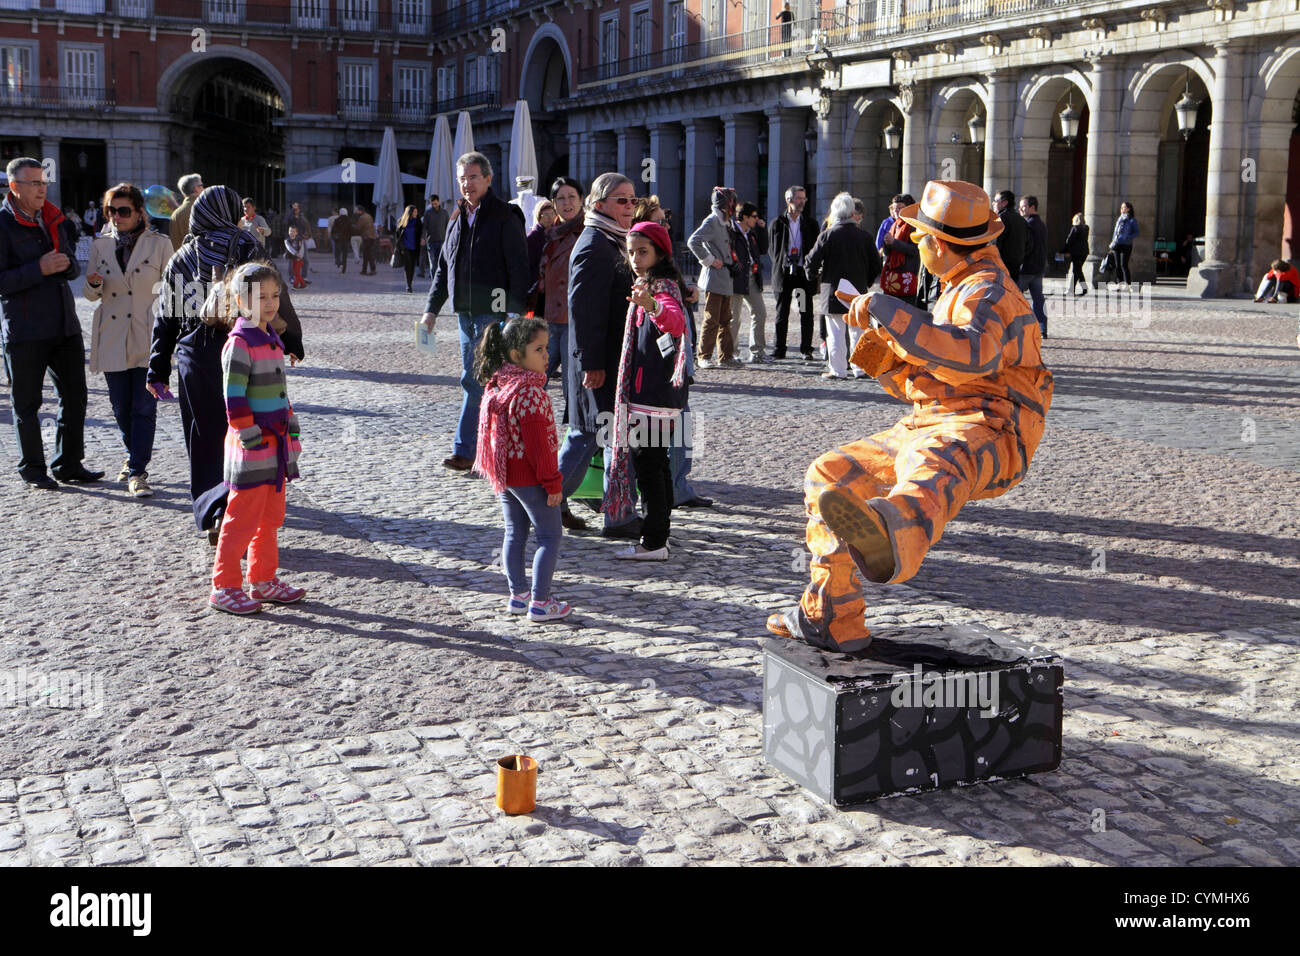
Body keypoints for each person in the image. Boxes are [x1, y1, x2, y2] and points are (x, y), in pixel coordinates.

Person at [768, 180, 1054, 652]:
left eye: (919, 237)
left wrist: (887, 310)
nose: (914, 243)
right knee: (831, 474)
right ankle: (831, 613)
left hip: (992, 427)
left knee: (934, 464)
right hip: (934, 418)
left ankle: (895, 533)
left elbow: (972, 356)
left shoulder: (989, 292)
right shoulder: (958, 287)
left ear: (939, 244)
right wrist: (882, 350)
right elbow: (931, 382)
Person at [149, 185, 305, 538]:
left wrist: (157, 367)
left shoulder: (182, 256)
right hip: (242, 346)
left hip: (195, 355)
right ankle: (243, 509)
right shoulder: (248, 245)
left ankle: (215, 509)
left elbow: (166, 316)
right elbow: (274, 294)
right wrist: (292, 340)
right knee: (245, 430)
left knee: (204, 437)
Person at [207, 260, 305, 615]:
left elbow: (279, 389)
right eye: (260, 296)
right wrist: (250, 436)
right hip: (253, 446)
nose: (270, 303)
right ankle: (224, 584)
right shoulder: (239, 343)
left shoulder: (271, 338)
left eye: (274, 295)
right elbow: (233, 397)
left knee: (269, 517)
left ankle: (262, 578)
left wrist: (290, 422)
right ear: (240, 299)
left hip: (274, 445)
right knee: (241, 518)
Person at [422, 151, 530, 471]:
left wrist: (512, 313)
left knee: (480, 380)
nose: (467, 184)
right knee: (480, 381)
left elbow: (519, 268)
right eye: (462, 179)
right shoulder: (457, 219)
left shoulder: (504, 215)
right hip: (465, 314)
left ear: (488, 179)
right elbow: (444, 270)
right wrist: (431, 311)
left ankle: (469, 450)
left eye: (473, 177)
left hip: (492, 313)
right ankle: (485, 450)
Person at [0, 157, 103, 489]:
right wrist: (38, 269)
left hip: (64, 324)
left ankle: (68, 463)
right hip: (25, 328)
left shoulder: (54, 218)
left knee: (75, 396)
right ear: (14, 188)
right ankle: (32, 468)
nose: (42, 188)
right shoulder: (2, 223)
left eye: (44, 182)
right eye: (34, 183)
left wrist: (67, 266)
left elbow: (71, 263)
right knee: (27, 403)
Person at [555, 172, 643, 540]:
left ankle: (556, 502)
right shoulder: (594, 244)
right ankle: (613, 514)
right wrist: (591, 363)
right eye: (621, 200)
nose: (629, 207)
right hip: (599, 362)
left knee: (598, 435)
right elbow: (584, 311)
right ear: (599, 203)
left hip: (610, 360)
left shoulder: (613, 240)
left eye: (633, 200)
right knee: (597, 434)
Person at [473, 316, 572, 621]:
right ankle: (541, 602)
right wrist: (553, 484)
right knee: (549, 536)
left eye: (547, 348)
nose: (546, 356)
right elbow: (540, 448)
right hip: (531, 479)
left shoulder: (499, 383)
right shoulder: (529, 392)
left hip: (505, 476)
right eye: (538, 349)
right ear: (517, 355)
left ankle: (518, 596)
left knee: (515, 534)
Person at [607, 220, 690, 560]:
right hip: (656, 394)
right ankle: (661, 531)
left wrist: (652, 306)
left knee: (649, 468)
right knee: (658, 465)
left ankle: (654, 541)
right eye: (631, 252)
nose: (636, 259)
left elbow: (674, 322)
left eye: (643, 251)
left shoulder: (661, 289)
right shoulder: (649, 284)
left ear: (660, 252)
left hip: (653, 395)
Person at [83, 182, 173, 497]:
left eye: (123, 211)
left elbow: (170, 291)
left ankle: (138, 471)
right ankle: (132, 453)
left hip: (148, 335)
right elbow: (91, 294)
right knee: (120, 406)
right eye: (112, 211)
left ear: (138, 213)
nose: (117, 217)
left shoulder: (159, 244)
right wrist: (93, 284)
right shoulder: (99, 245)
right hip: (112, 334)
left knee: (144, 407)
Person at [806, 192, 881, 380]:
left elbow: (810, 261)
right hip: (857, 290)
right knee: (857, 330)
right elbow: (876, 264)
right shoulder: (864, 236)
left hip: (832, 290)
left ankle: (838, 370)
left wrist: (813, 275)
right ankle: (860, 369)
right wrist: (867, 282)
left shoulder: (828, 235)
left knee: (835, 333)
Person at [688, 186, 742, 368]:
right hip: (714, 277)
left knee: (726, 319)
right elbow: (693, 241)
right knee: (712, 319)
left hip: (725, 277)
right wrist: (710, 260)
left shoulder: (726, 222)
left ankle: (725, 357)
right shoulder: (712, 221)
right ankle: (704, 356)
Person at [770, 184, 819, 360]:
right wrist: (782, 261)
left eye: (804, 198)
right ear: (789, 200)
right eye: (799, 198)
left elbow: (815, 248)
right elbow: (772, 250)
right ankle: (779, 349)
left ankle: (806, 349)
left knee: (805, 311)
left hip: (802, 275)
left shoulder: (810, 224)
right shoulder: (778, 223)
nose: (802, 202)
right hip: (784, 275)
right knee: (782, 313)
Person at [733, 201, 769, 363]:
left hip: (752, 279)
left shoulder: (752, 233)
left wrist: (762, 229)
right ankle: (731, 353)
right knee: (734, 318)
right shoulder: (731, 233)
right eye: (754, 216)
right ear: (744, 217)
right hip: (736, 280)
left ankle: (757, 351)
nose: (757, 219)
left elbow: (763, 249)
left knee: (760, 312)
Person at [879, 192, 919, 307]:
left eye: (899, 208)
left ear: (909, 208)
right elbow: (888, 253)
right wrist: (887, 244)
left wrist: (894, 242)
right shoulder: (894, 225)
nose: (896, 212)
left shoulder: (913, 226)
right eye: (894, 208)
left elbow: (915, 250)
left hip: (907, 276)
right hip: (893, 277)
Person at [1018, 195, 1049, 338]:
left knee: (1014, 297)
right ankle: (1042, 328)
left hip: (1027, 269)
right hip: (1038, 268)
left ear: (1032, 207)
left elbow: (1026, 247)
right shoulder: (1041, 224)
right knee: (1038, 299)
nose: (1021, 209)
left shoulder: (1027, 224)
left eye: (1023, 206)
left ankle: (1018, 327)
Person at [993, 189, 1028, 283]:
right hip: (1017, 264)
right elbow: (1029, 243)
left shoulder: (1001, 218)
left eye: (996, 201)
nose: (993, 204)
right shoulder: (1021, 219)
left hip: (1001, 265)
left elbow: (996, 243)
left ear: (1004, 203)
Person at [526, 198, 557, 299]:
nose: (550, 217)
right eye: (546, 214)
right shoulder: (533, 237)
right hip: (537, 284)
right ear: (539, 216)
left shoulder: (556, 233)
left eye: (552, 214)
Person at [1110, 201, 1139, 288]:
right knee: (1117, 265)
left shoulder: (1132, 220)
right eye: (1121, 207)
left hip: (1126, 245)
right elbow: (1115, 232)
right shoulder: (1119, 219)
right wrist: (1112, 242)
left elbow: (1136, 232)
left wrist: (1128, 237)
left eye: (1124, 207)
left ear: (1129, 209)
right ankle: (1120, 283)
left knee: (1124, 265)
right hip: (1116, 244)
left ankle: (1128, 285)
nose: (1122, 209)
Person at [395, 204, 423, 293]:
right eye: (414, 212)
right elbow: (397, 236)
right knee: (408, 266)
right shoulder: (401, 221)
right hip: (405, 247)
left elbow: (422, 232)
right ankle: (408, 285)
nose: (416, 213)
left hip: (415, 247)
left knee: (413, 266)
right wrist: (400, 247)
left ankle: (410, 282)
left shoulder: (418, 221)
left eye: (416, 211)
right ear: (410, 212)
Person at [421, 195, 449, 280]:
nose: (434, 205)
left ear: (439, 202)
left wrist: (448, 239)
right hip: (431, 241)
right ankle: (434, 281)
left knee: (441, 262)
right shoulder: (428, 213)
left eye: (436, 203)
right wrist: (423, 238)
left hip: (442, 241)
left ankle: (440, 280)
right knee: (433, 263)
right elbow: (424, 227)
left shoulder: (444, 213)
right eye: (433, 204)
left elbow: (448, 227)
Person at [1062, 213, 1090, 296]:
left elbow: (1069, 240)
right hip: (1084, 252)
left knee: (1077, 271)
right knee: (1077, 271)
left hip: (1076, 252)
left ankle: (1079, 289)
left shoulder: (1075, 228)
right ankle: (1075, 290)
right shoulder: (1086, 228)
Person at [354, 204, 377, 275]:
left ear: (360, 211)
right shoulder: (368, 216)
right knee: (367, 254)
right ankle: (365, 270)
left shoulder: (362, 218)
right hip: (371, 237)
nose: (355, 211)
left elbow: (358, 227)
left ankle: (371, 270)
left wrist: (351, 227)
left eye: (356, 210)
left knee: (368, 254)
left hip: (367, 237)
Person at [284, 225, 308, 290]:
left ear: (296, 233)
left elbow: (302, 248)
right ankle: (303, 285)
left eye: (293, 231)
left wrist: (300, 256)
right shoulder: (287, 240)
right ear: (288, 232)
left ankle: (296, 286)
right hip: (292, 258)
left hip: (299, 258)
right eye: (290, 231)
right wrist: (296, 254)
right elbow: (290, 248)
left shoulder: (299, 239)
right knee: (295, 272)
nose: (292, 233)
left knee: (296, 273)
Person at [329, 207, 353, 273]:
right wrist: (349, 239)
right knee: (344, 256)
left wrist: (334, 237)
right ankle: (343, 270)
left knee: (337, 254)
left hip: (338, 240)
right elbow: (351, 231)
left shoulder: (337, 220)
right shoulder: (349, 221)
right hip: (346, 240)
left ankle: (339, 265)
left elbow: (333, 230)